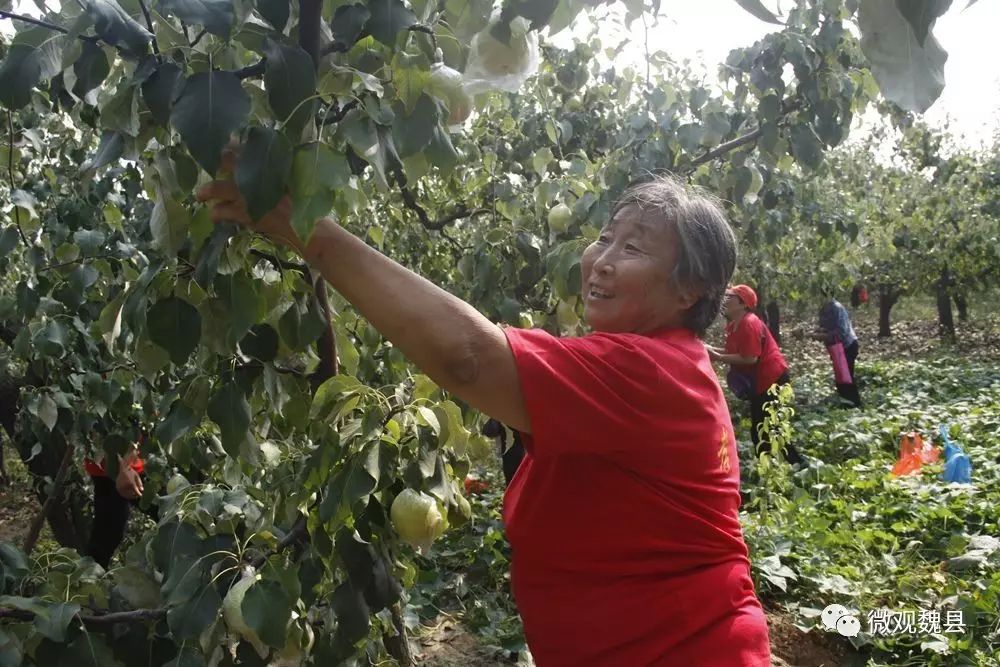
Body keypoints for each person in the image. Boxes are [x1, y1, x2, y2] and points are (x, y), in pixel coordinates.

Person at [199, 162, 771, 665]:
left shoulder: (651, 373)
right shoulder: (664, 366)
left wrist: (311, 233)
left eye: (634, 248)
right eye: (604, 237)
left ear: (689, 291)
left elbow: (469, 358)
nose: (600, 261)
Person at [706, 285, 803, 464]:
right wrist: (712, 350)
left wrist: (717, 356)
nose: (724, 300)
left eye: (730, 297)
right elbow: (734, 351)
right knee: (761, 429)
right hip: (761, 381)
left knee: (772, 428)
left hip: (772, 380)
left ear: (743, 304)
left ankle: (797, 466)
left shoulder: (749, 323)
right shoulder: (735, 324)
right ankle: (772, 468)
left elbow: (750, 358)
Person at [83, 432, 146, 568]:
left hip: (137, 464)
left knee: (171, 508)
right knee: (107, 535)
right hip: (108, 471)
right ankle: (88, 580)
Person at [813, 297, 862, 408]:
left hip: (847, 346)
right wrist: (816, 332)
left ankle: (854, 405)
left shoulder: (836, 308)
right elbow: (826, 328)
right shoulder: (824, 309)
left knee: (846, 378)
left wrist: (821, 336)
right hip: (836, 348)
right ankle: (845, 404)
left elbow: (841, 332)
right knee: (841, 377)